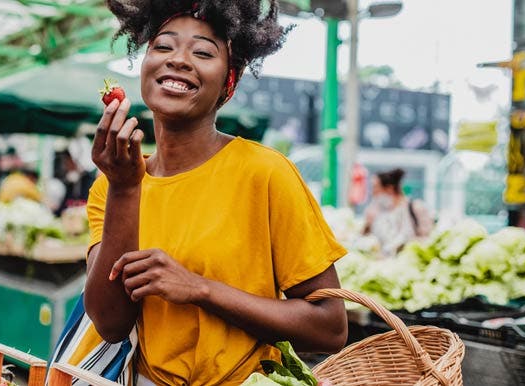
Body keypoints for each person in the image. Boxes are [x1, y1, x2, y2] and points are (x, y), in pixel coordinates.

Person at [79, 1, 349, 385]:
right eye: (163, 46)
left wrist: (201, 289)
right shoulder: (111, 184)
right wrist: (125, 189)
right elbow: (110, 324)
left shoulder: (266, 173)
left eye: (203, 52)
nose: (179, 60)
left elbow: (330, 327)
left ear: (230, 81)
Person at [363, 168, 434, 257]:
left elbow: (428, 239)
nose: (373, 193)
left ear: (389, 188)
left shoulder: (416, 208)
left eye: (375, 187)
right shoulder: (376, 212)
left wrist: (403, 245)